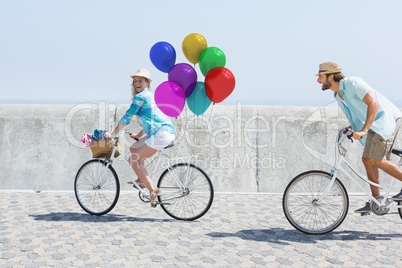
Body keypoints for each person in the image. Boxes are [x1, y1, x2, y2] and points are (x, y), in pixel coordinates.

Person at [316, 62, 402, 213]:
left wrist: (364, 130)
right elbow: (357, 114)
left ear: (331, 76)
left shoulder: (353, 83)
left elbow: (373, 104)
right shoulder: (338, 95)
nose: (318, 81)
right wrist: (351, 128)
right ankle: (377, 201)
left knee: (376, 159)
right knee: (367, 159)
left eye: (320, 77)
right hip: (373, 126)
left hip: (384, 121)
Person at [105, 68, 175, 207]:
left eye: (140, 80)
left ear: (147, 82)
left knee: (133, 160)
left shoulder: (140, 97)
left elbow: (126, 118)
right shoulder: (151, 96)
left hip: (160, 134)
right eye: (135, 81)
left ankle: (152, 189)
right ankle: (142, 179)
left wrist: (112, 134)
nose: (137, 83)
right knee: (133, 148)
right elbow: (152, 119)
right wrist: (138, 135)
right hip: (164, 131)